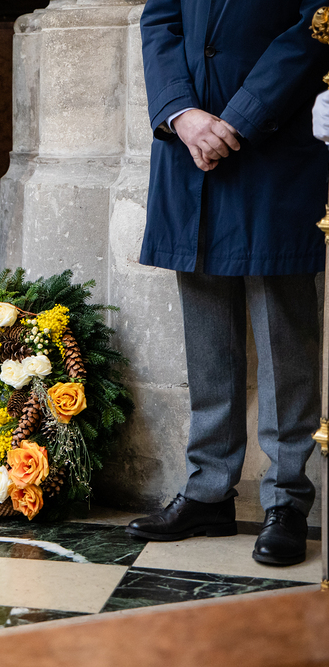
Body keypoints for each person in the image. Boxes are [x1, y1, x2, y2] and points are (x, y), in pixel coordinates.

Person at [128, 0, 329, 566]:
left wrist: (240, 116)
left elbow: (316, 23)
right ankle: (209, 491)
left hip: (274, 145)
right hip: (188, 149)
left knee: (284, 337)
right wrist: (181, 113)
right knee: (206, 334)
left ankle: (286, 500)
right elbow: (160, 18)